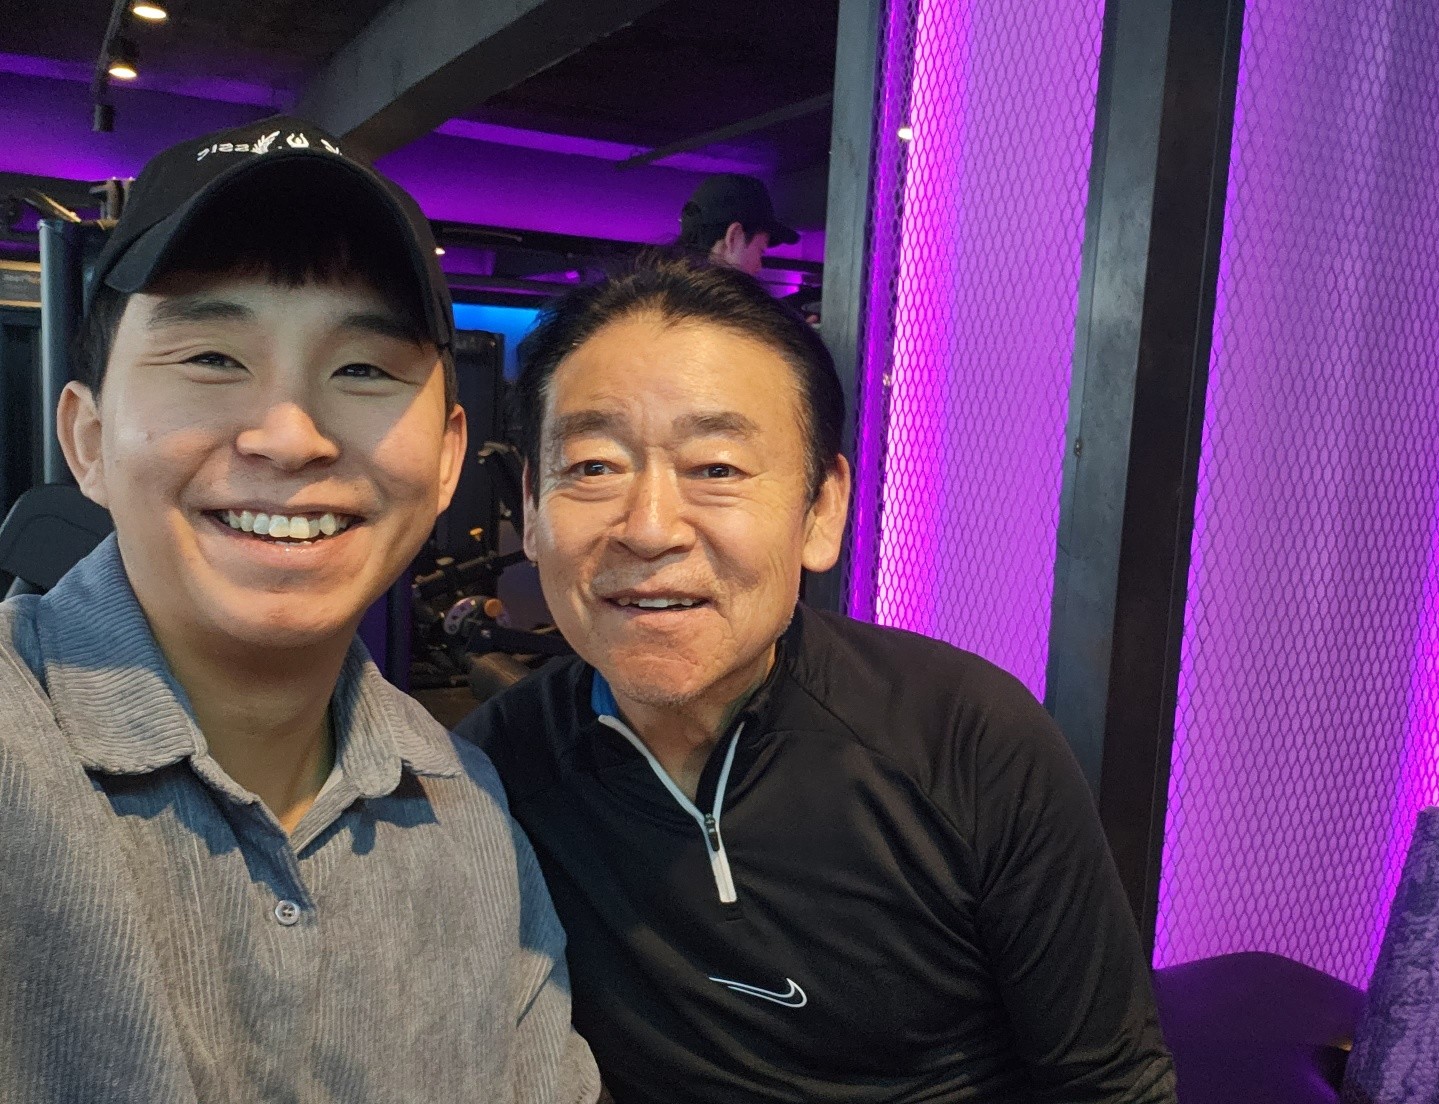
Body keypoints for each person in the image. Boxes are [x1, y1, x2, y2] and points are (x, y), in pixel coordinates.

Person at [456, 254, 1178, 1102]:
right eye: (593, 467)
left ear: (822, 510)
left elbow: (1111, 1085)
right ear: (532, 507)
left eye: (716, 468)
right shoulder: (489, 780)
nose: (649, 528)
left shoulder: (967, 741)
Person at [0, 116, 601, 1102]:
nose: (288, 436)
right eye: (211, 358)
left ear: (447, 460)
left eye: (362, 369)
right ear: (89, 438)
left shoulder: (467, 808)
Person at [677, 173, 799, 276]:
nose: (759, 267)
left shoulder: (670, 290)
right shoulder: (719, 298)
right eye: (760, 250)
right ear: (734, 236)